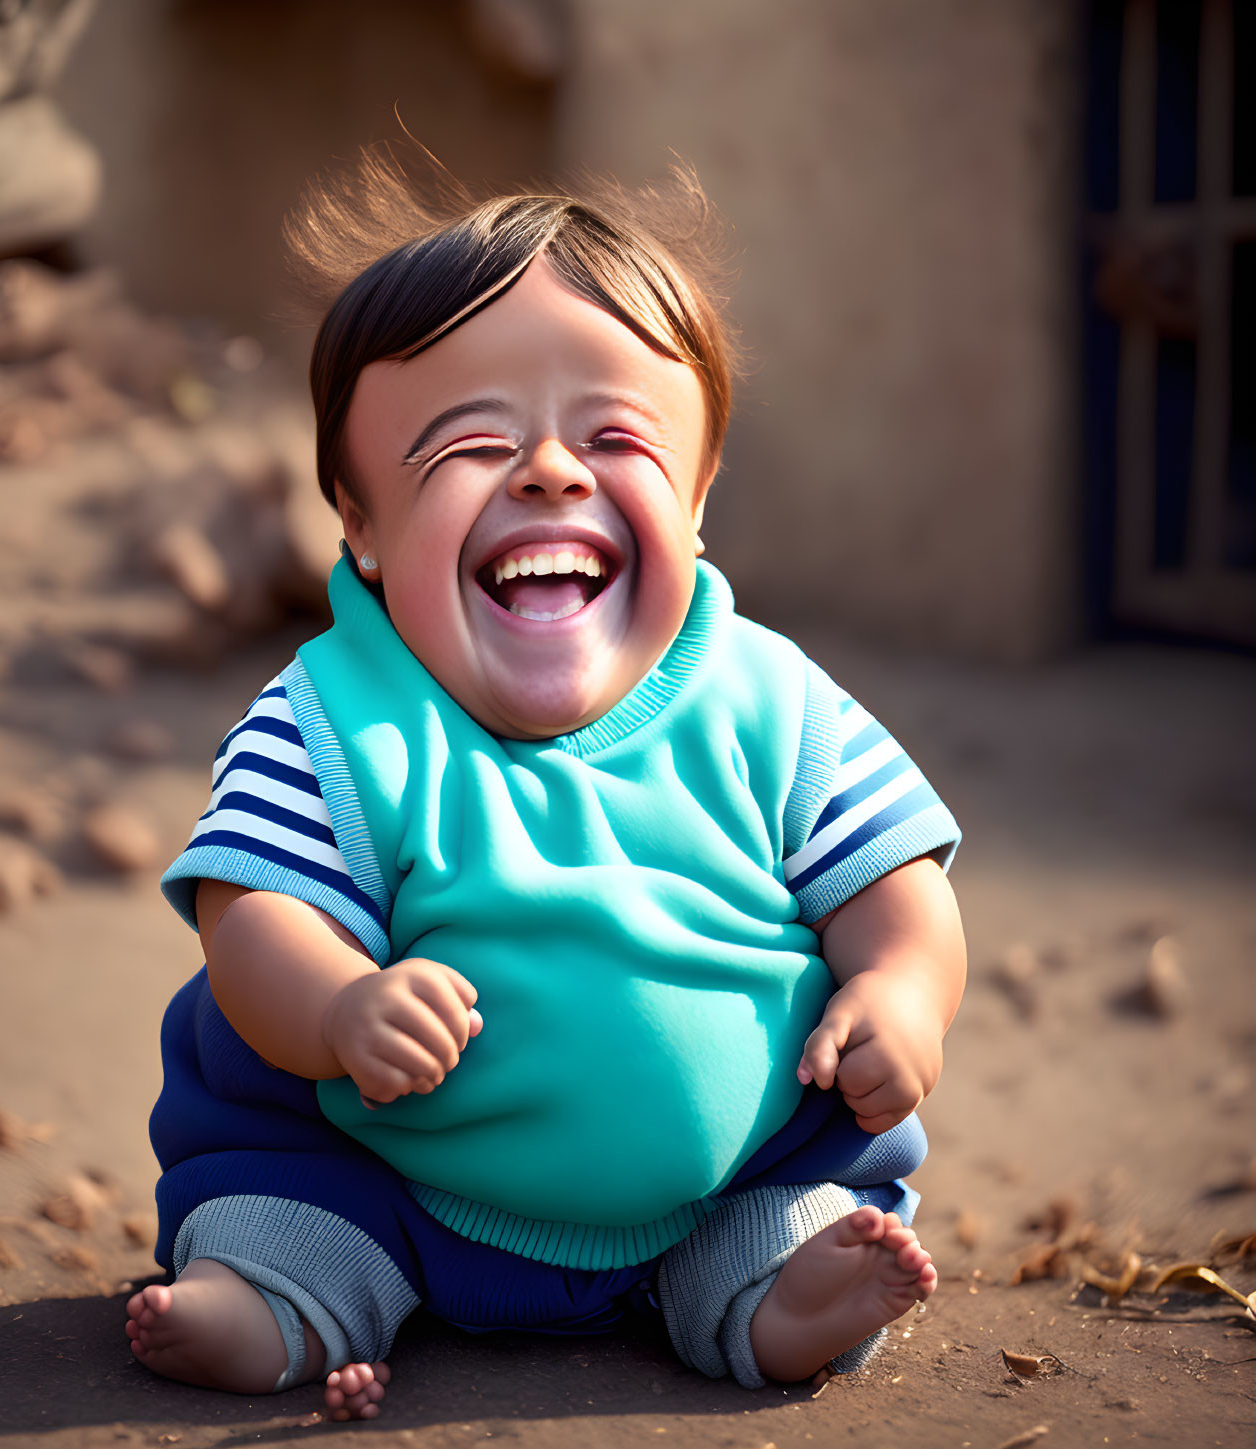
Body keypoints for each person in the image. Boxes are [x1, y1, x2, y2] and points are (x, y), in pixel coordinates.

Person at [125, 153, 966, 1422]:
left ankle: (778, 1300)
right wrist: (342, 1004)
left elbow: (895, 888)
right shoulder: (338, 718)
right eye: (472, 441)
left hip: (723, 1179)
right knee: (285, 1208)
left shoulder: (773, 705)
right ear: (356, 521)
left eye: (617, 436)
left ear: (695, 495)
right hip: (384, 1177)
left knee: (797, 1220)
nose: (552, 472)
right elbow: (249, 918)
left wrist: (902, 993)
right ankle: (278, 1302)